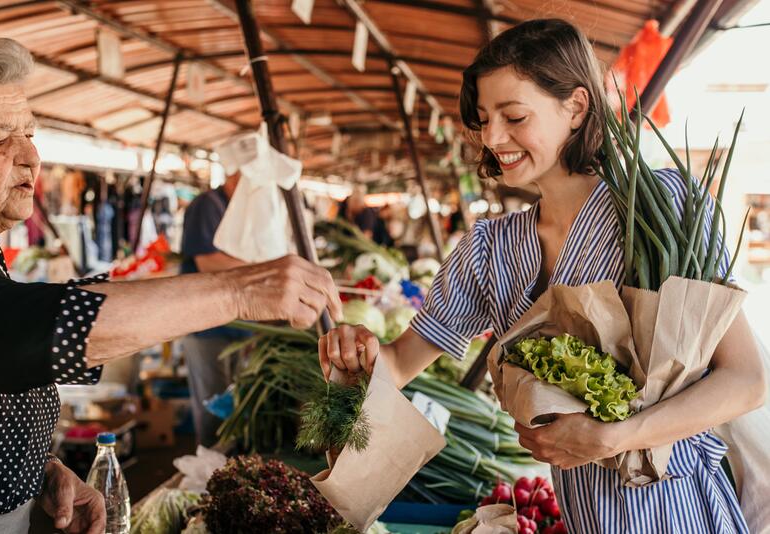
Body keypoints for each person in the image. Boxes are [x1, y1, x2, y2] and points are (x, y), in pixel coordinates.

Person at [0, 33, 341, 534]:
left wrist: (39, 474)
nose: (30, 157)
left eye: (29, 134)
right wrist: (236, 291)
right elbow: (8, 334)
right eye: (1, 137)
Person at [319, 19, 765, 533]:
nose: (492, 137)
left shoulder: (662, 208)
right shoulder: (492, 248)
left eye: (513, 116)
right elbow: (397, 364)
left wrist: (615, 436)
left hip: (682, 510)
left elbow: (746, 380)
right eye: (484, 119)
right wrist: (357, 355)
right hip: (585, 516)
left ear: (575, 107)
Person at [178, 168, 249, 447]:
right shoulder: (208, 205)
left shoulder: (237, 209)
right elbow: (207, 262)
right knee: (212, 403)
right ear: (234, 175)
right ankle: (210, 471)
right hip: (206, 325)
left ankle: (227, 463)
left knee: (230, 401)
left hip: (235, 325)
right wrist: (265, 269)